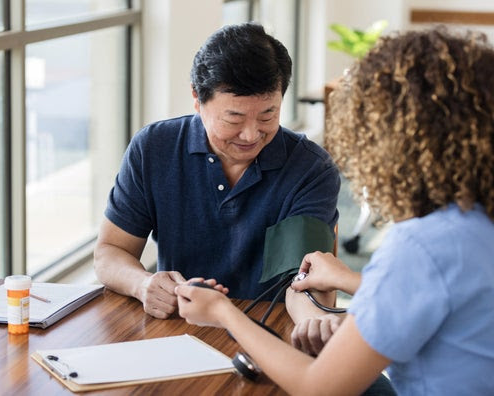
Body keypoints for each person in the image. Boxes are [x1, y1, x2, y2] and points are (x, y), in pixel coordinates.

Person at [176, 26, 494, 395]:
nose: (251, 134)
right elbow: (453, 297)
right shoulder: (474, 222)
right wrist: (353, 281)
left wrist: (222, 312)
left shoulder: (420, 246)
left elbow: (319, 388)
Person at [93, 22, 340, 319]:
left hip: (271, 331)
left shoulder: (309, 169)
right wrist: (143, 284)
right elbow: (110, 252)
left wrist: (316, 323)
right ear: (197, 99)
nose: (250, 135)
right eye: (233, 118)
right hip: (176, 328)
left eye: (268, 115)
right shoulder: (154, 148)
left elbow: (305, 284)